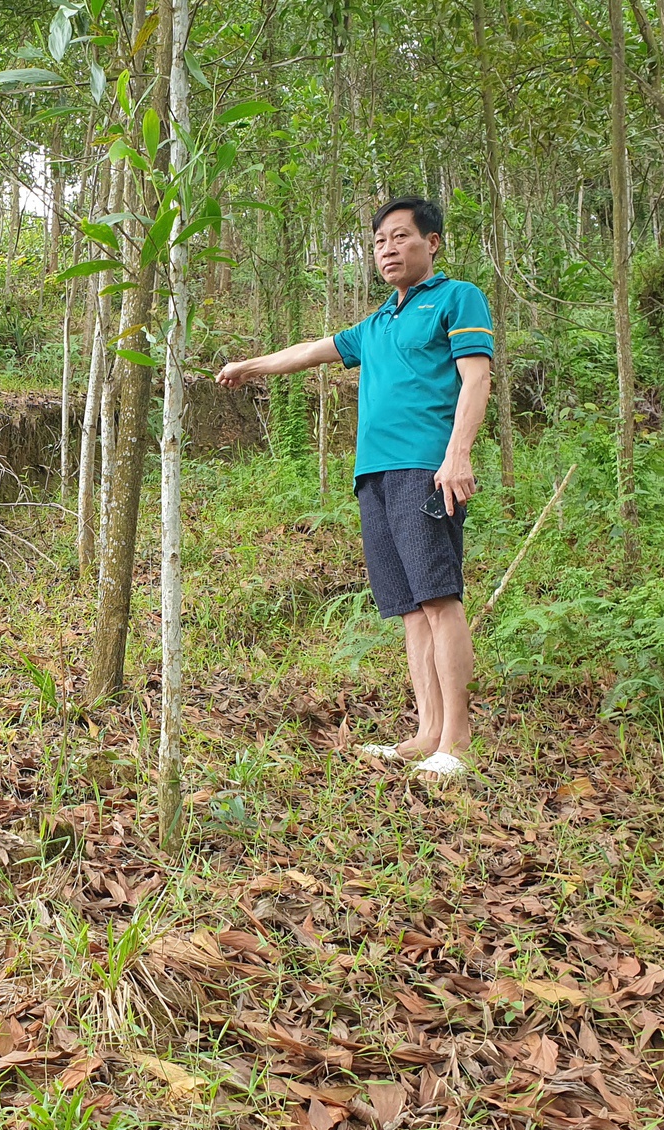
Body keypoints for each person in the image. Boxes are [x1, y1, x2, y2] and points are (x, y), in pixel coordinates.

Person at [218, 196, 494, 778]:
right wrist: (250, 366)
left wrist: (457, 455)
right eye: (378, 242)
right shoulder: (376, 324)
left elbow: (476, 379)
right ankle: (426, 734)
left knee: (439, 599)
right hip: (375, 474)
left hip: (427, 468)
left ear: (432, 242)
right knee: (410, 610)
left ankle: (458, 742)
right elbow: (312, 351)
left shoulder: (455, 298)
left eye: (400, 237)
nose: (388, 249)